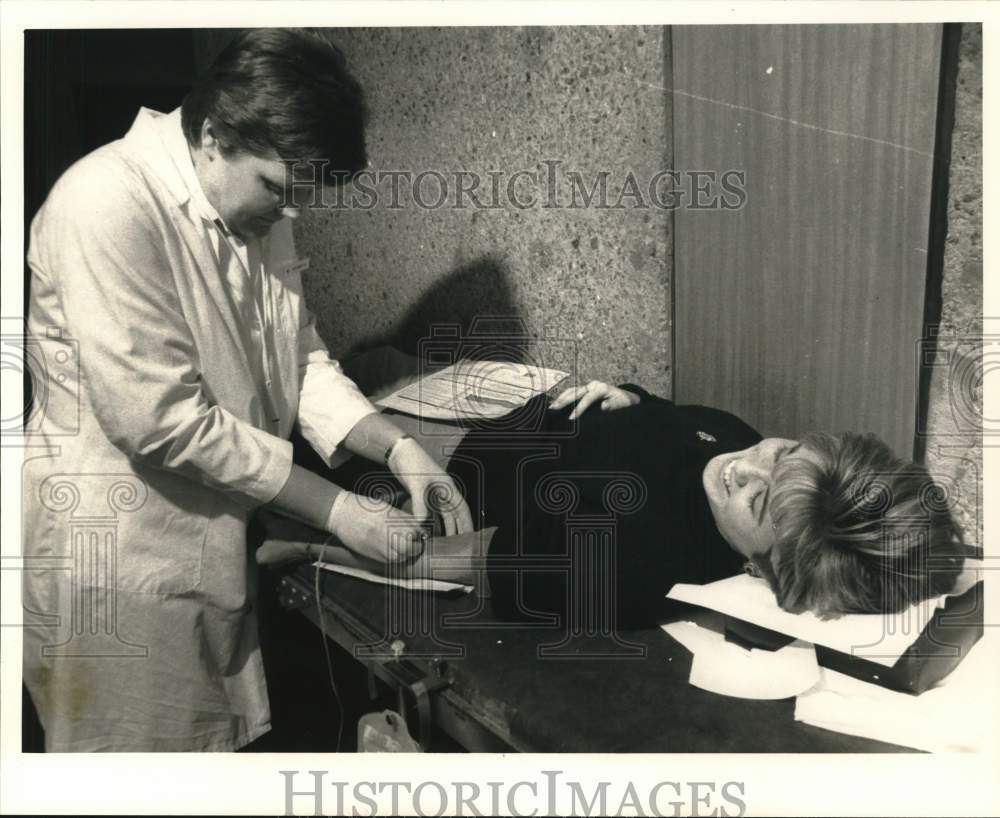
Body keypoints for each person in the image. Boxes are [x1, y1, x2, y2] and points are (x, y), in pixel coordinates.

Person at [22, 28, 471, 752]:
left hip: (212, 538)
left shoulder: (255, 205)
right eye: (278, 191)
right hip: (121, 558)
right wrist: (338, 510)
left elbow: (299, 357)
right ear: (212, 137)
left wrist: (400, 449)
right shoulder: (105, 203)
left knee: (209, 760)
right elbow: (161, 421)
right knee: (132, 774)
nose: (290, 216)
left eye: (302, 198)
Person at [258, 380, 967, 628]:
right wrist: (630, 396)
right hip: (487, 413)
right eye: (782, 455)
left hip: (446, 475)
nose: (743, 465)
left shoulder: (629, 562)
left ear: (763, 568)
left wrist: (315, 539)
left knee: (265, 450)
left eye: (756, 502)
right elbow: (680, 428)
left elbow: (436, 559)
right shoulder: (742, 449)